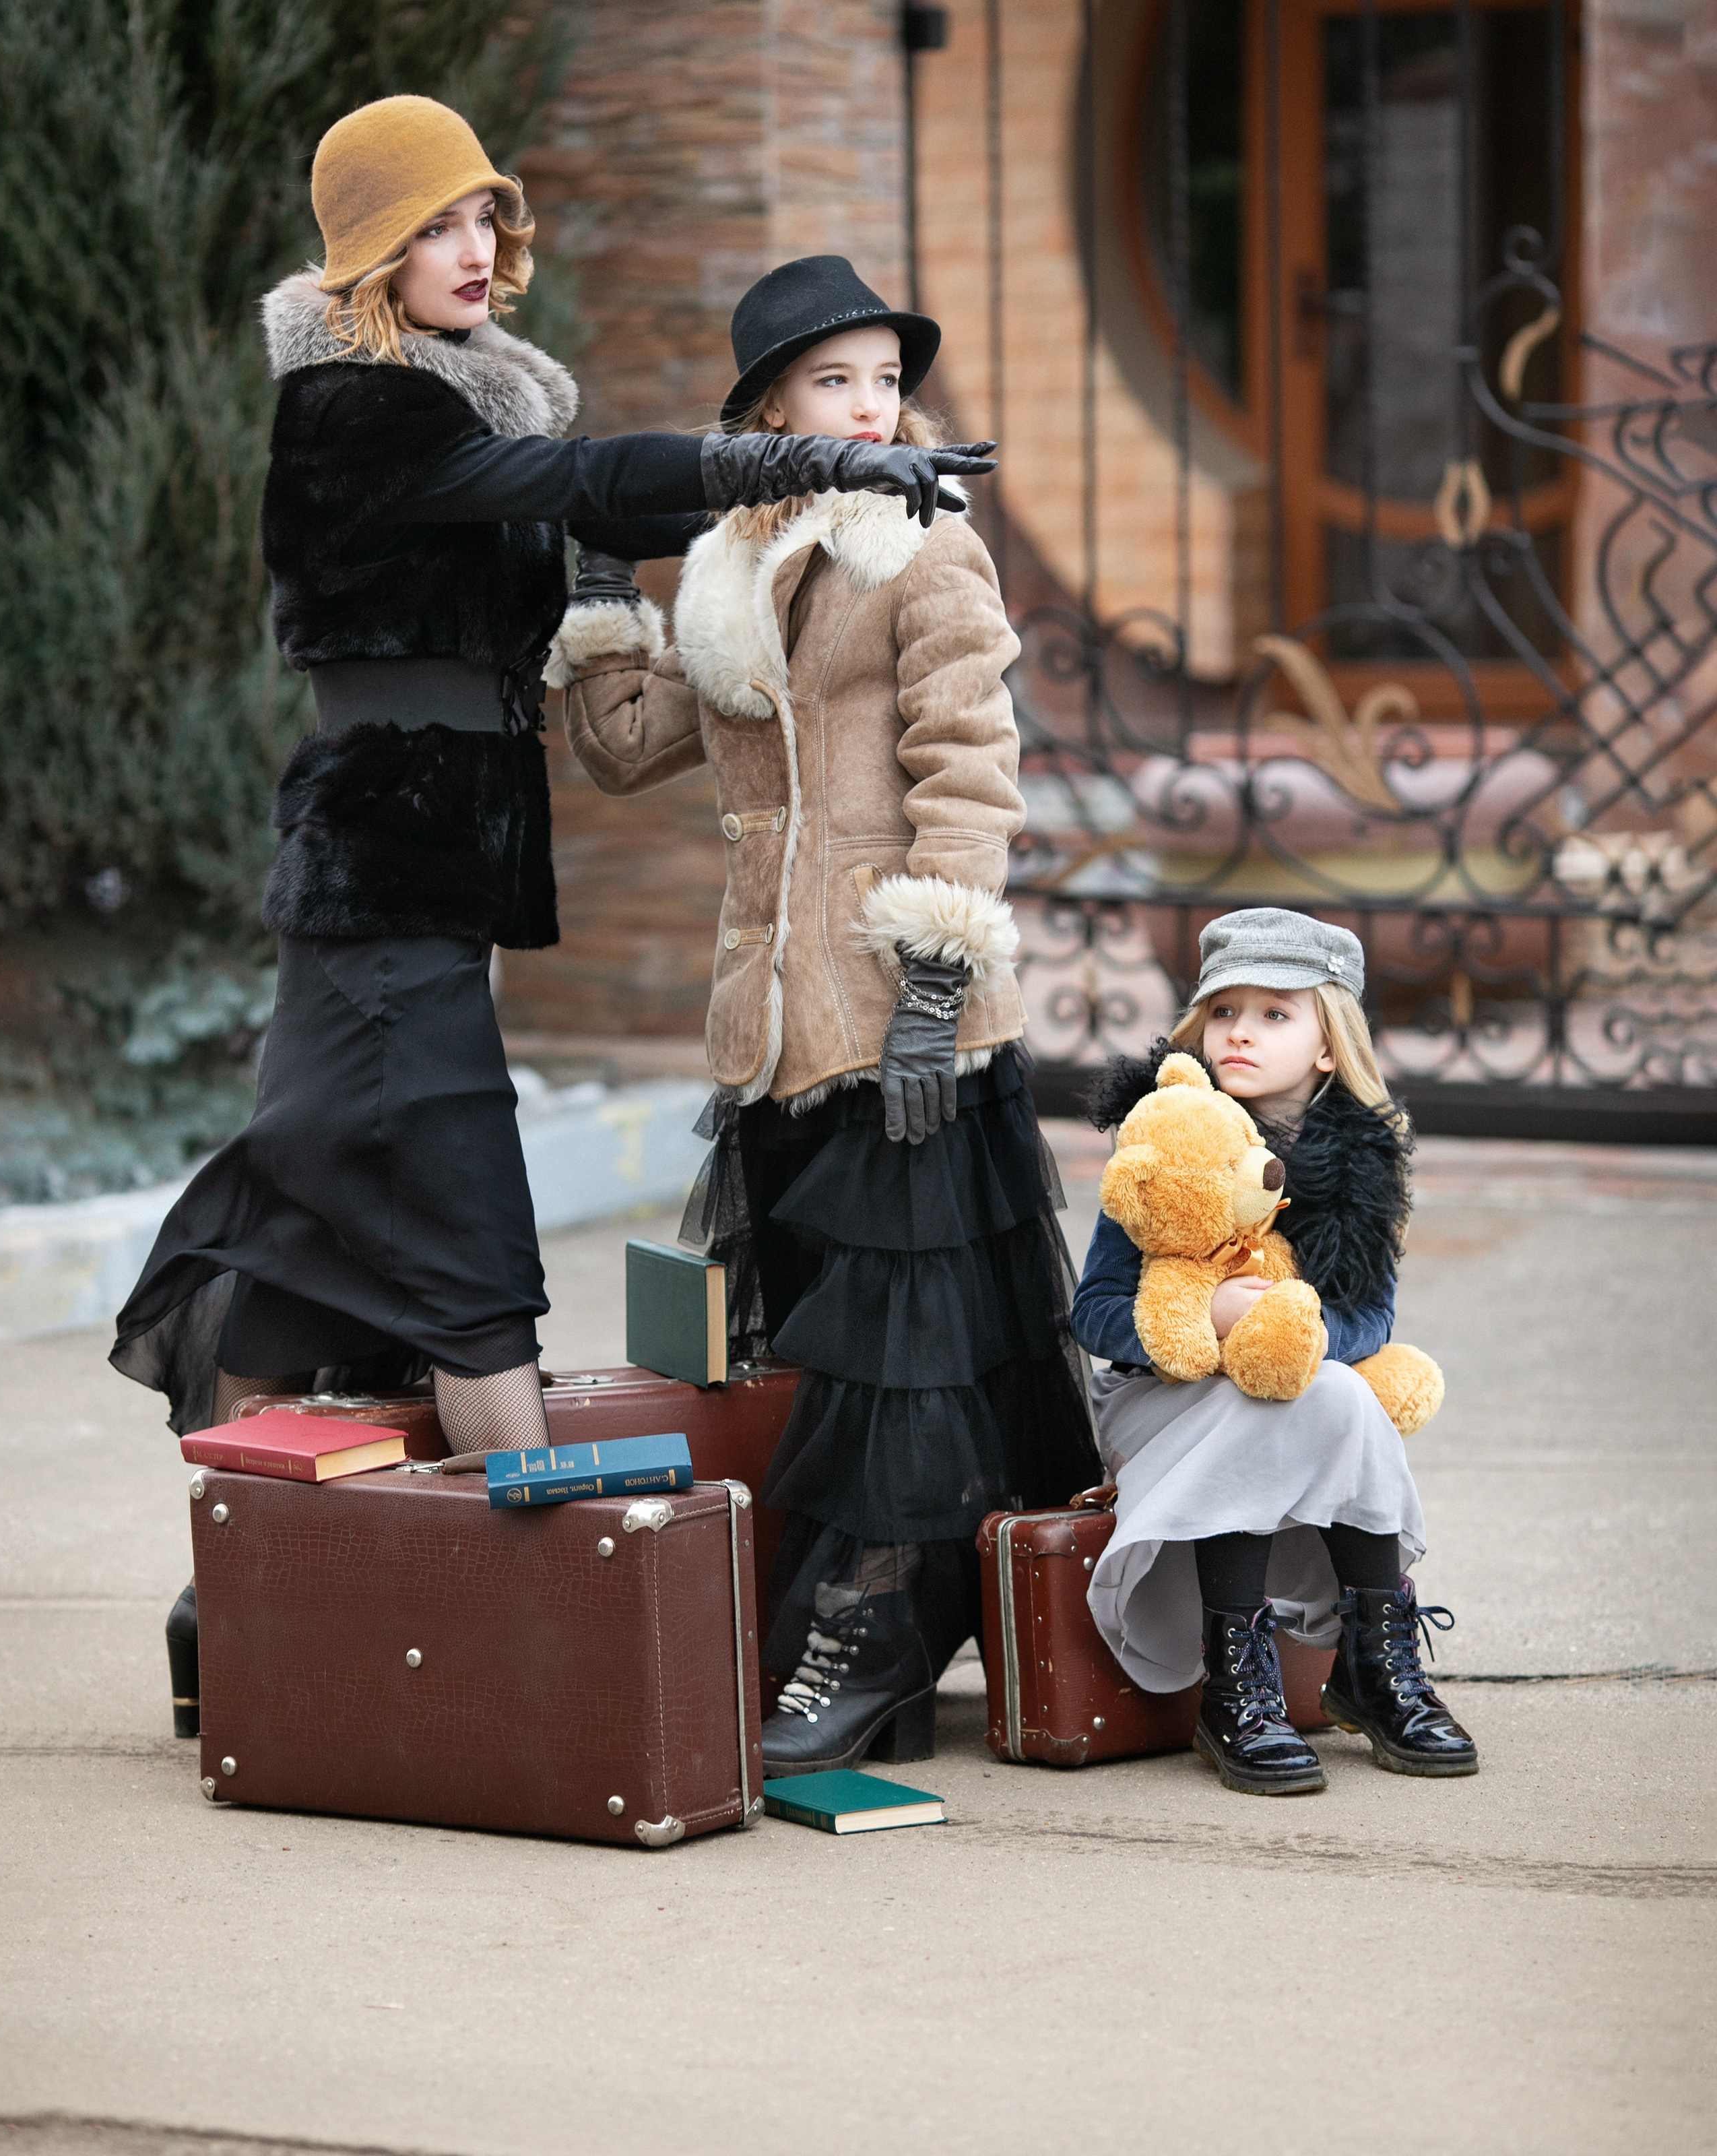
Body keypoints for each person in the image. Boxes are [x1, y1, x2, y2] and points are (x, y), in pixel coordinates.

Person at [111, 102, 994, 1724]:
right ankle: (570, 1633)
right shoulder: (351, 407)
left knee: (306, 1225)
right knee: (462, 1228)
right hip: (382, 865)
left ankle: (218, 1606)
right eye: (437, 226)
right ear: (370, 249)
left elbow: (586, 510)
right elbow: (587, 473)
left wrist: (794, 501)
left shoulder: (446, 412)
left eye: (484, 224)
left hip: (418, 878)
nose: (474, 252)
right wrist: (792, 455)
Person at [550, 254, 1101, 1777]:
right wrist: (604, 589)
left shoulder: (918, 546)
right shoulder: (734, 563)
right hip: (778, 1029)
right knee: (813, 1342)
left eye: (884, 380)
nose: (871, 405)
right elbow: (632, 743)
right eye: (833, 381)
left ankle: (877, 1626)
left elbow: (970, 766)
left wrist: (935, 975)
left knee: (898, 1351)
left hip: (899, 1015)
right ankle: (870, 1615)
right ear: (764, 410)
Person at [1072, 908, 1477, 1794]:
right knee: (1311, 1396)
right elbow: (1094, 1312)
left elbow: (1371, 1315)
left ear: (1328, 1046)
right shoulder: (1172, 1134)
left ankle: (1373, 1668)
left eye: (1274, 1015)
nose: (1241, 1033)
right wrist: (1210, 1315)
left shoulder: (1361, 1160)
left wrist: (1294, 1334)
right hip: (1160, 1402)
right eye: (1225, 1013)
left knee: (1333, 1388)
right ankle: (1238, 1689)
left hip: (1291, 1395)